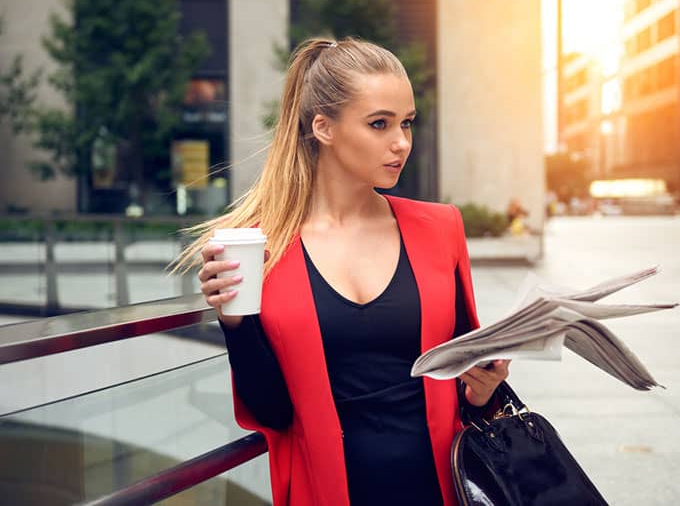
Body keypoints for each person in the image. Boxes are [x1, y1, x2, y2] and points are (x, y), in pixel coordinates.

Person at [173, 37, 509, 506]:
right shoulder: (259, 246)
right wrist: (235, 320)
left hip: (442, 490)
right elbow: (272, 409)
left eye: (407, 123)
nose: (402, 142)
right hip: (327, 491)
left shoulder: (440, 228)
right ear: (324, 128)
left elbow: (469, 379)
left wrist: (483, 389)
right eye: (380, 124)